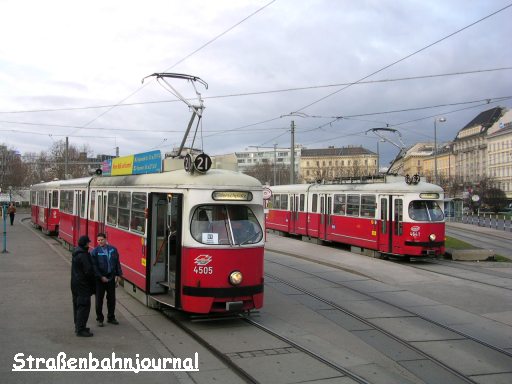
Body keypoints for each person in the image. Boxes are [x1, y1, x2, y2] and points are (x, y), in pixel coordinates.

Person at [91, 233, 123, 327]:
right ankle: (99, 319)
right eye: (98, 240)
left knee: (112, 299)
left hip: (111, 277)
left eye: (102, 240)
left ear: (106, 239)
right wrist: (101, 277)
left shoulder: (113, 249)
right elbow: (94, 267)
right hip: (100, 280)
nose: (100, 242)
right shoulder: (95, 252)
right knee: (99, 300)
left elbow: (117, 263)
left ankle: (111, 317)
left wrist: (119, 275)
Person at [71, 236, 95, 337]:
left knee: (77, 305)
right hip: (83, 285)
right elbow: (88, 271)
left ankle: (78, 326)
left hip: (75, 283)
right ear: (85, 244)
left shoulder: (77, 252)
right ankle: (81, 329)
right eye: (88, 243)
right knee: (84, 306)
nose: (89, 244)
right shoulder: (83, 255)